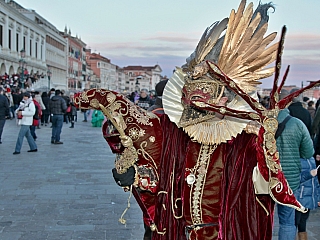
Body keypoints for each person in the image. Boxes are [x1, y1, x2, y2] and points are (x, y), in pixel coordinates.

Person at [74, 2, 317, 239]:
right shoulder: (174, 129)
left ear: (225, 99)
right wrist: (135, 175)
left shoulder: (244, 139)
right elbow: (158, 173)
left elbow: (264, 188)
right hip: (175, 230)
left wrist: (266, 145)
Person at [276, 96, 314, 240]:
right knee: (287, 221)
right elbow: (308, 153)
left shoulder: (261, 123)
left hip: (265, 179)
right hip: (289, 180)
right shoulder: (297, 124)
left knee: (262, 220)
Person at [294, 157, 319, 240]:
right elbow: (294, 179)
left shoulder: (311, 159)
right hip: (299, 196)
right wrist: (310, 174)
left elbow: (316, 181)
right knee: (294, 222)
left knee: (303, 221)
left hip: (308, 196)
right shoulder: (296, 158)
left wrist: (318, 197)